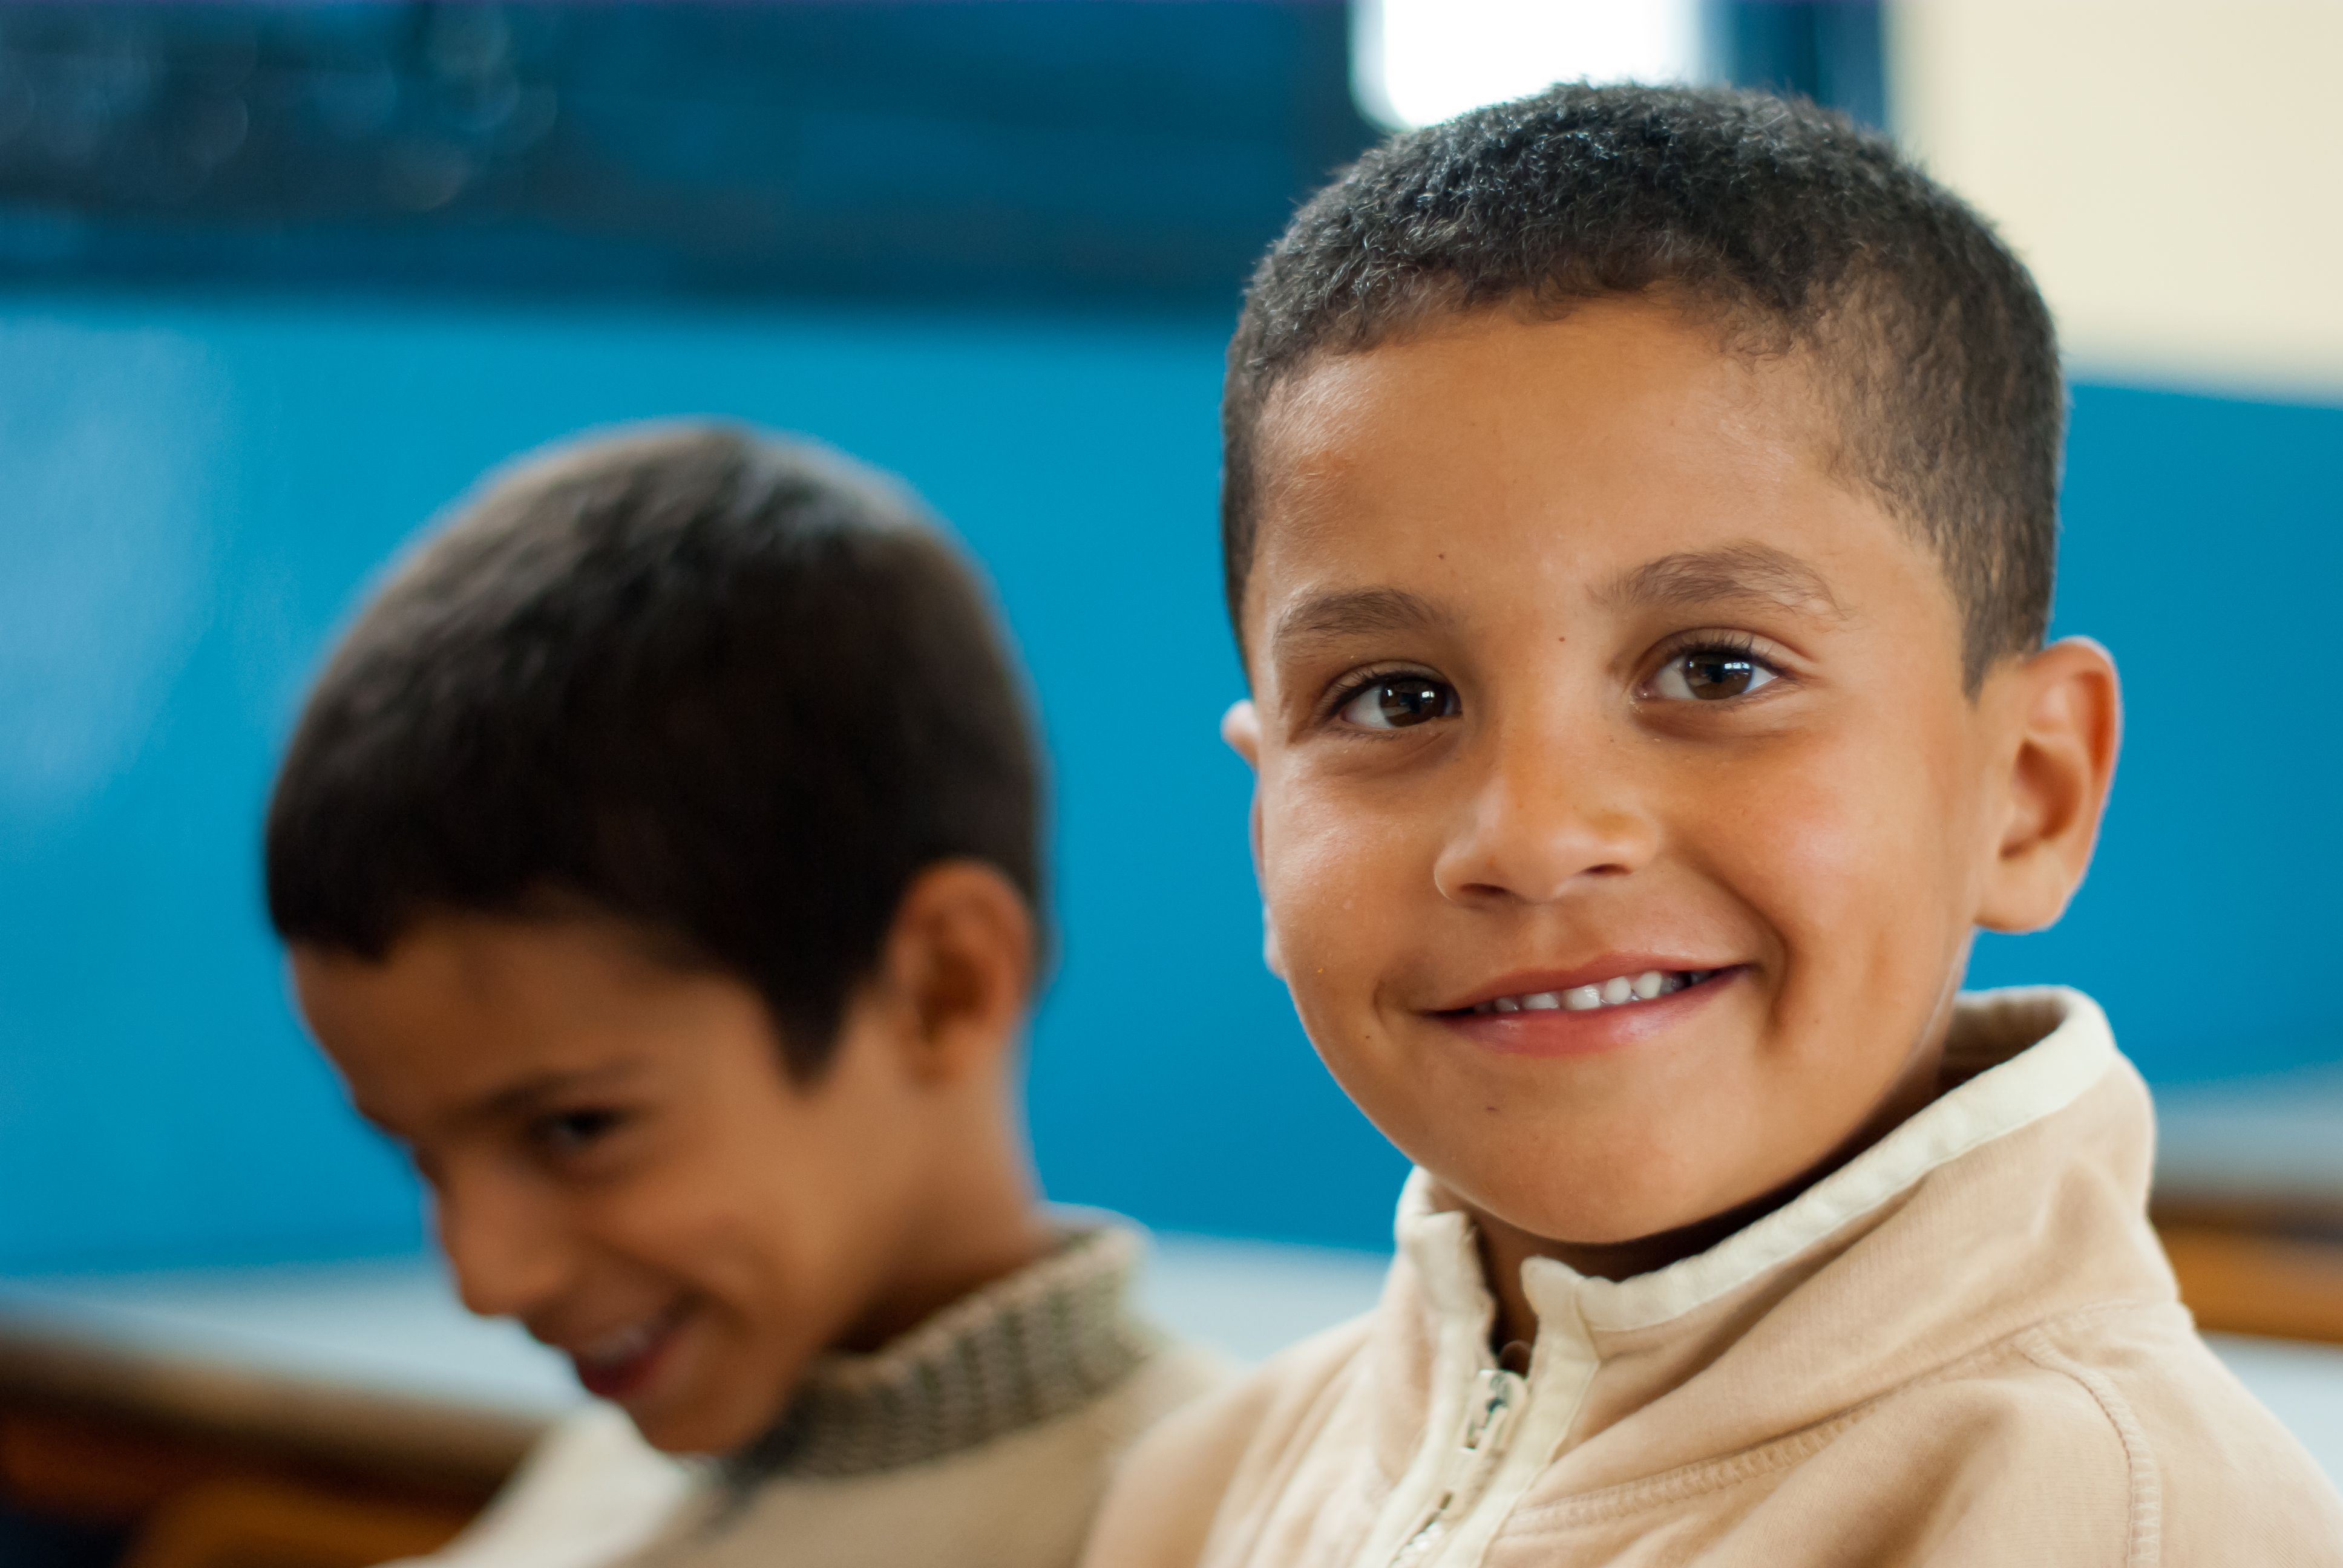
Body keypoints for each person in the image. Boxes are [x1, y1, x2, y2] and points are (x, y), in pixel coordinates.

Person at [1080, 83, 2343, 1566]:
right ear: (1262, 796)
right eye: (1398, 699)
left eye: (1715, 670)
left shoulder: (2101, 1517)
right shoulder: (1211, 1490)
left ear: (2027, 789)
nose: (1537, 835)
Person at [267, 425, 1224, 1568]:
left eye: (576, 1130)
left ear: (939, 986)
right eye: (422, 1157)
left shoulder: (1216, 1519)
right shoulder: (619, 1454)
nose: (485, 1277)